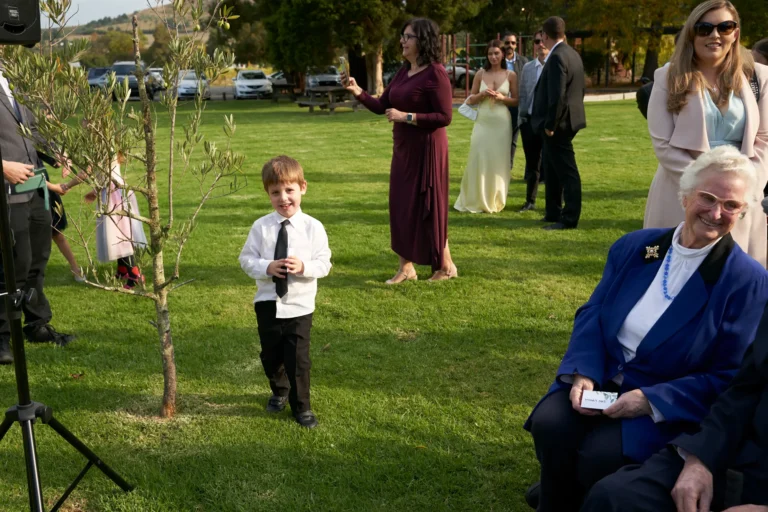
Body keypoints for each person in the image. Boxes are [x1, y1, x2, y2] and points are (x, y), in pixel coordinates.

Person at [523, 146, 768, 512]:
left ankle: (568, 490)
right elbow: (594, 312)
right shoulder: (638, 247)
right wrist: (584, 372)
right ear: (685, 196)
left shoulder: (747, 281)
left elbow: (729, 375)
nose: (717, 213)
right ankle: (559, 496)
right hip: (601, 378)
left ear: (743, 212)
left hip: (662, 399)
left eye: (731, 205)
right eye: (708, 197)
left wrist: (651, 400)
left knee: (598, 455)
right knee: (550, 424)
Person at [644, 0, 768, 266]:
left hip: (740, 196)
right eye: (704, 28)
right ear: (692, 33)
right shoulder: (668, 77)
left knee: (734, 278)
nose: (715, 35)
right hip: (681, 191)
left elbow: (765, 139)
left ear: (735, 33)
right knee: (672, 273)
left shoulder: (759, 77)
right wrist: (704, 189)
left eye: (725, 27)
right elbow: (663, 144)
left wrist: (742, 188)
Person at [344, 18, 456, 283]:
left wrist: (407, 117)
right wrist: (357, 90)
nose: (402, 41)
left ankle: (444, 266)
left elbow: (444, 116)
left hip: (428, 149)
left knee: (429, 204)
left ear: (422, 41)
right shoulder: (403, 72)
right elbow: (382, 104)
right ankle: (406, 267)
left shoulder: (436, 73)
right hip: (404, 149)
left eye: (408, 37)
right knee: (401, 205)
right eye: (403, 36)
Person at [239, 156, 332, 429]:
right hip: (268, 302)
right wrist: (266, 266)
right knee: (271, 354)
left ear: (303, 187)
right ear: (267, 194)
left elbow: (324, 263)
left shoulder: (313, 228)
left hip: (300, 306)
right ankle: (280, 390)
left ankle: (302, 407)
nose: (284, 198)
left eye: (289, 190)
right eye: (275, 192)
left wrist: (303, 266)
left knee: (298, 359)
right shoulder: (261, 227)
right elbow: (245, 259)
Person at [0, 62, 74, 365]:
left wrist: (58, 152)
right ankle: (2, 337)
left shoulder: (16, 81)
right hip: (7, 189)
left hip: (36, 188)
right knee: (11, 263)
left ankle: (36, 324)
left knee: (38, 258)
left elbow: (31, 130)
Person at [531, 16, 587, 231]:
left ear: (544, 35)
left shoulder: (556, 57)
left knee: (566, 170)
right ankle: (552, 212)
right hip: (569, 120)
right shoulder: (573, 54)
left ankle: (569, 217)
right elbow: (578, 90)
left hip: (558, 124)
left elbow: (558, 95)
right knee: (551, 167)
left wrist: (551, 125)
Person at [59, 155, 147, 288]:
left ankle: (134, 274)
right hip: (115, 190)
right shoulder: (108, 144)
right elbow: (106, 175)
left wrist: (66, 186)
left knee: (120, 234)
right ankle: (122, 269)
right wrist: (95, 192)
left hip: (113, 194)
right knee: (117, 231)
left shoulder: (100, 148)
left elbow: (86, 173)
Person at [454, 40, 518, 213]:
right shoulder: (480, 74)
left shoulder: (510, 75)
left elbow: (516, 101)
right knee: (478, 155)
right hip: (483, 121)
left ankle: (495, 198)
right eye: (490, 54)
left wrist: (502, 98)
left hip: (501, 122)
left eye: (496, 53)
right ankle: (475, 197)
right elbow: (470, 99)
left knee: (498, 160)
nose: (493, 57)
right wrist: (481, 94)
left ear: (502, 54)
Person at [517, 31, 549, 212]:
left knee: (551, 164)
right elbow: (523, 94)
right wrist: (522, 119)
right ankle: (530, 200)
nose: (540, 44)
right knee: (532, 165)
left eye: (543, 41)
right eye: (537, 41)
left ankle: (553, 203)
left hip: (548, 123)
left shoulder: (555, 65)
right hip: (529, 123)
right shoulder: (528, 67)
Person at [503, 32, 529, 174]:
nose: (510, 46)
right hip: (500, 105)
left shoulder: (523, 61)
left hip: (517, 105)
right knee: (502, 139)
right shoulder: (497, 60)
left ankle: (513, 168)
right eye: (507, 43)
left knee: (516, 138)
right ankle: (502, 168)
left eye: (513, 43)